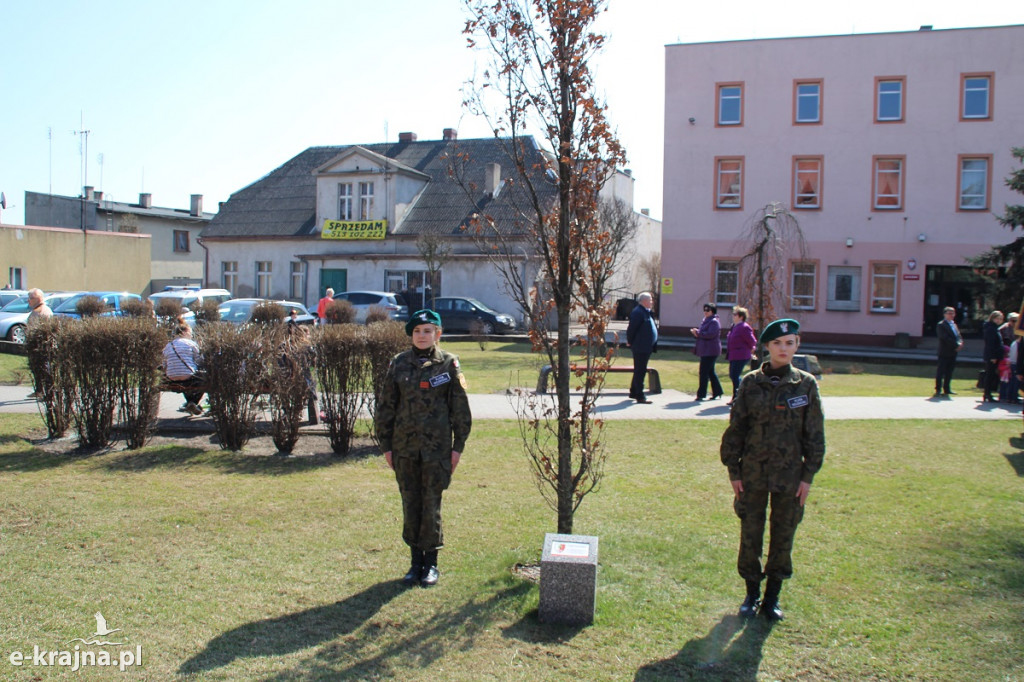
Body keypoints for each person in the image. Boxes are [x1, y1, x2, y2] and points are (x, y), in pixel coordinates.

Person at [720, 318, 825, 622]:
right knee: (750, 534)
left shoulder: (806, 384)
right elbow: (736, 429)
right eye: (777, 343)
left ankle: (772, 597)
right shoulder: (751, 382)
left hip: (790, 477)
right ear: (766, 347)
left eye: (790, 343)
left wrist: (808, 477)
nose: (784, 349)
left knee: (783, 534)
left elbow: (814, 434)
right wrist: (734, 472)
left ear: (797, 346)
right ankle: (751, 593)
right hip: (752, 474)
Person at [376, 309, 472, 588]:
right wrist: (387, 446)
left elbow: (460, 411)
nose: (422, 336)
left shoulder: (449, 365)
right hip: (404, 449)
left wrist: (457, 448)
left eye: (428, 331)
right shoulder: (399, 363)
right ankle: (414, 562)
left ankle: (431, 564)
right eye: (417, 331)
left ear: (438, 335)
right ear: (411, 334)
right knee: (410, 503)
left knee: (431, 504)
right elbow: (386, 407)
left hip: (437, 451)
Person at [162, 320, 205, 416]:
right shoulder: (191, 343)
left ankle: (190, 403)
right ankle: (193, 402)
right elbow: (199, 361)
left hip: (171, 377)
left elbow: (164, 364)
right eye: (190, 333)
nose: (191, 335)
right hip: (187, 375)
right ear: (184, 332)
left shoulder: (168, 346)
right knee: (204, 379)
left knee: (185, 380)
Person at [626, 292, 658, 404]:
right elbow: (632, 328)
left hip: (646, 346)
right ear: (644, 301)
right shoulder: (638, 312)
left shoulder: (646, 312)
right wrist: (630, 341)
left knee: (639, 369)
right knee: (640, 371)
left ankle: (634, 391)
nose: (652, 302)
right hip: (640, 346)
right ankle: (640, 396)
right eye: (650, 300)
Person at [691, 302, 724, 401]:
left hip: (711, 351)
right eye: (704, 310)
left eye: (708, 310)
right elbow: (704, 333)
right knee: (710, 372)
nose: (705, 312)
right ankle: (717, 391)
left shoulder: (714, 321)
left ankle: (701, 394)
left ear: (712, 311)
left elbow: (710, 334)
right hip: (705, 350)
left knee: (703, 372)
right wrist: (698, 332)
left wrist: (698, 333)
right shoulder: (705, 320)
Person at [25, 288, 54, 399]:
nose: (29, 301)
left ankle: (49, 393)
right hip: (35, 344)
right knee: (37, 368)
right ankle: (39, 390)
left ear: (38, 298)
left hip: (41, 345)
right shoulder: (37, 310)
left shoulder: (42, 311)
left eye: (31, 298)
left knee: (44, 369)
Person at [725, 306, 757, 405]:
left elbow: (752, 341)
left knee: (734, 375)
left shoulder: (744, 327)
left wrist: (752, 349)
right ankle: (744, 388)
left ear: (741, 316)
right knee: (733, 375)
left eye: (735, 314)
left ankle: (737, 397)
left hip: (741, 355)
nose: (733, 316)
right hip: (733, 355)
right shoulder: (734, 326)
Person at [934, 306, 963, 397]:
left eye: (953, 313)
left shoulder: (954, 324)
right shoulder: (941, 325)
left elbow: (958, 335)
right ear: (945, 314)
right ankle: (938, 389)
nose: (951, 315)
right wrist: (956, 345)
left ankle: (947, 389)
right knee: (941, 371)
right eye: (949, 313)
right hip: (944, 351)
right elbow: (944, 338)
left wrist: (960, 343)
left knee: (949, 371)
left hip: (953, 352)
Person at [981, 310, 1005, 403]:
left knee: (991, 375)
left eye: (1000, 319)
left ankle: (987, 393)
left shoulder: (995, 328)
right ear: (993, 318)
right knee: (989, 375)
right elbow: (990, 344)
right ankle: (987, 393)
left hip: (995, 354)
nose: (999, 320)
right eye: (997, 318)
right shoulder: (991, 328)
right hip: (992, 355)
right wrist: (993, 356)